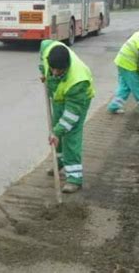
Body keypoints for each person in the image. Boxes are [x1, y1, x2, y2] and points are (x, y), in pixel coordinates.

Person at [39, 40, 94, 193]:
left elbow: (71, 115)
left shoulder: (78, 81)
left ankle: (74, 178)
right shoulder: (47, 49)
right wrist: (44, 71)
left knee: (69, 134)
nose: (55, 73)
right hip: (58, 97)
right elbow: (42, 50)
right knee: (57, 127)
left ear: (67, 66)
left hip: (78, 101)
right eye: (53, 69)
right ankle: (60, 162)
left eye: (60, 71)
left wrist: (57, 131)